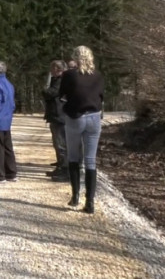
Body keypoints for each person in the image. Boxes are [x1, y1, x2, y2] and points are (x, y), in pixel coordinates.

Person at [59, 45, 105, 214]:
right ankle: (90, 202)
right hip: (94, 117)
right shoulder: (98, 75)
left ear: (75, 58)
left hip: (75, 117)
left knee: (73, 157)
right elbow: (101, 96)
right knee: (90, 160)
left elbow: (62, 95)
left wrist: (67, 106)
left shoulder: (69, 75)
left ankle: (75, 196)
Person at [43, 60, 68, 181]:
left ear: (58, 69)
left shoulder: (62, 81)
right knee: (57, 143)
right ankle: (60, 166)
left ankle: (64, 169)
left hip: (60, 115)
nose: (51, 71)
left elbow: (51, 93)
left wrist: (45, 88)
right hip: (55, 115)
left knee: (61, 143)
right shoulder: (57, 80)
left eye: (52, 69)